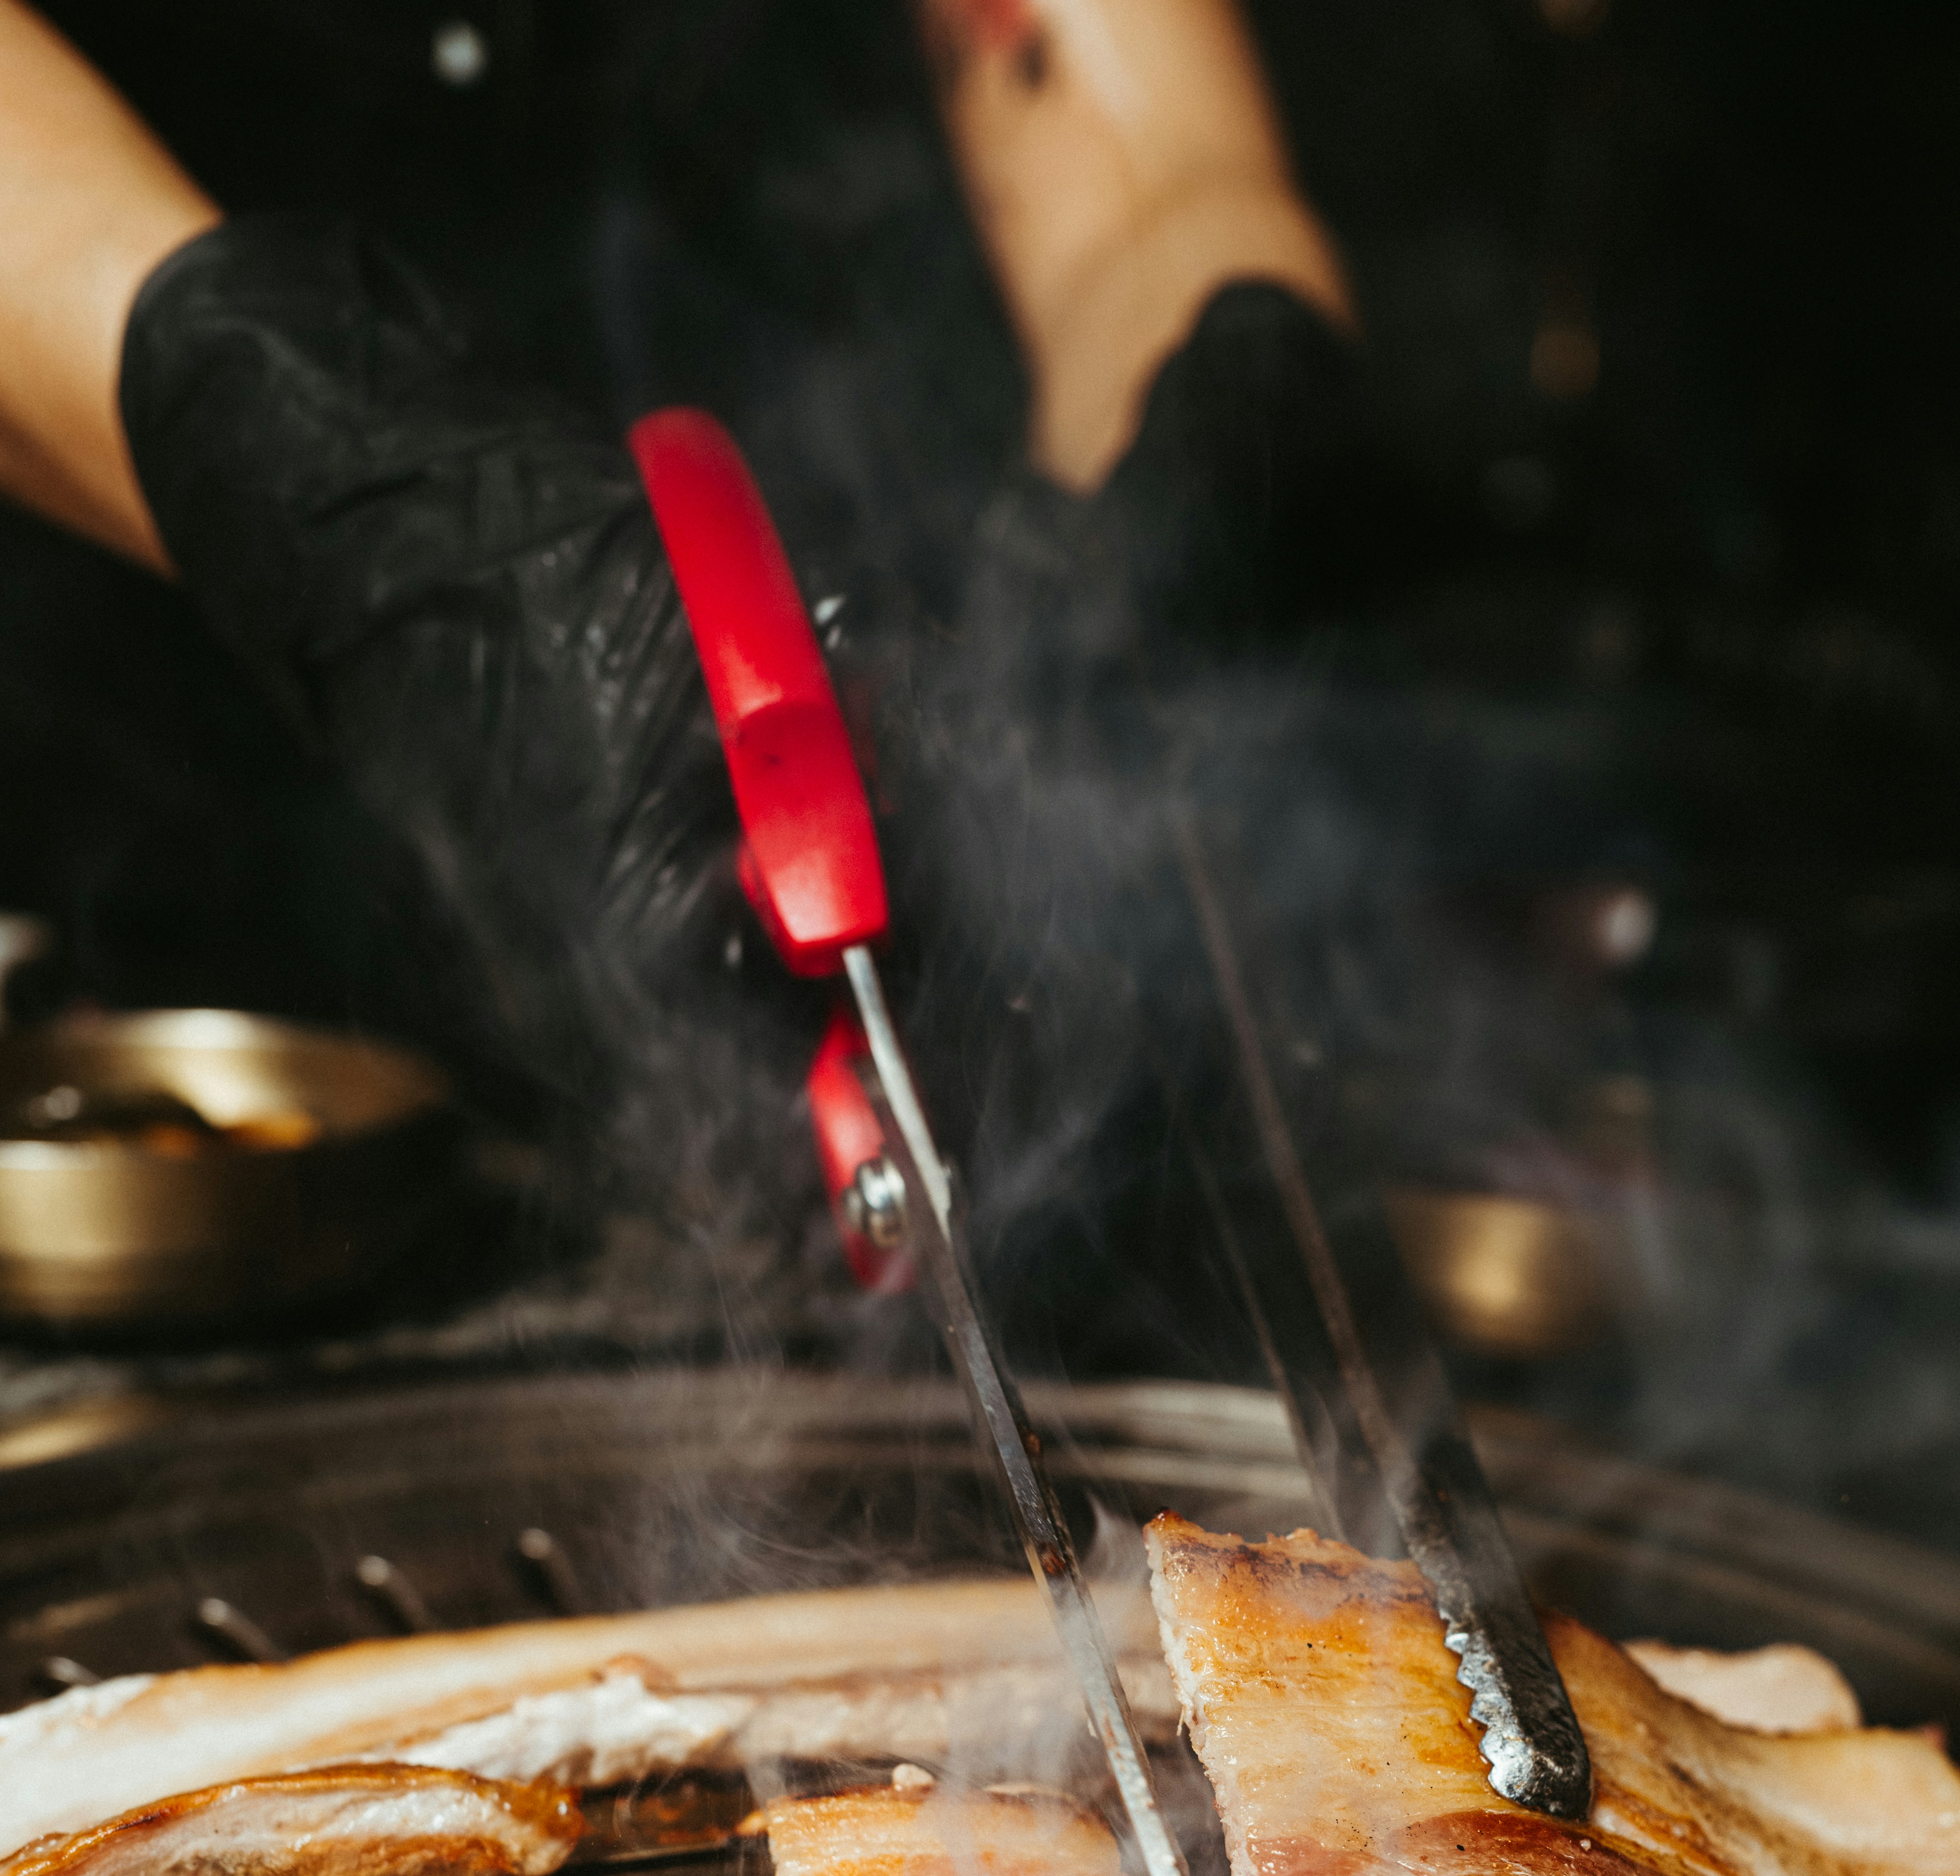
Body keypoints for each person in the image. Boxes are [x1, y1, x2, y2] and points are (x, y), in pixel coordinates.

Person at [0, 0, 1363, 1262]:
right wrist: (316, 472)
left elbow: (1150, 179)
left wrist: (1186, 472)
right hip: (212, 1100)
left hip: (861, 866)